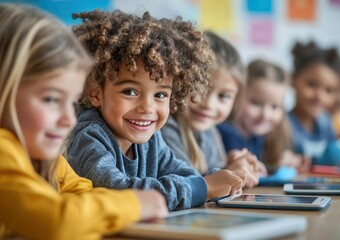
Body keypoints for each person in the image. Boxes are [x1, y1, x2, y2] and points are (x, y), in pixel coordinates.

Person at [0, 4, 168, 240]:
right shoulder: (3, 150)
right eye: (51, 99)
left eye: (71, 102)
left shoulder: (46, 160)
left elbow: (82, 193)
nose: (69, 120)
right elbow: (56, 221)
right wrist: (134, 204)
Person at [66, 10, 246, 211]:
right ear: (96, 93)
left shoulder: (151, 138)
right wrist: (203, 187)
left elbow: (185, 174)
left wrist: (214, 180)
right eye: (130, 91)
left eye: (160, 95)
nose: (147, 108)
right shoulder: (88, 137)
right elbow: (120, 194)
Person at [161, 31, 266, 187]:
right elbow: (186, 187)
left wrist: (233, 166)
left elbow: (211, 177)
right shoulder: (165, 127)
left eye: (223, 96)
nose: (209, 105)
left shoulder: (210, 131)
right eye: (200, 89)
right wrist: (229, 171)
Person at [218, 59, 308, 173]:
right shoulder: (226, 134)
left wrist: (289, 160)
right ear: (237, 95)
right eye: (256, 103)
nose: (266, 115)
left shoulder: (262, 137)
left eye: (275, 107)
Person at [288, 41, 340, 166]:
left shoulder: (326, 122)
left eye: (328, 90)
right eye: (311, 85)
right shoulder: (283, 124)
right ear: (293, 79)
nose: (320, 96)